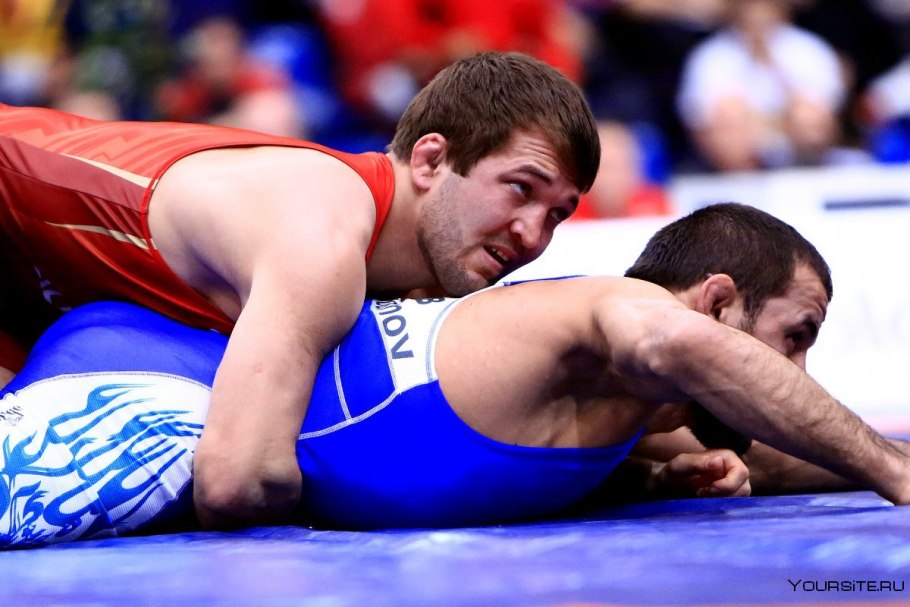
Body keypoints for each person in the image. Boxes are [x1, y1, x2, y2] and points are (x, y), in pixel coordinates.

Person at [3, 202, 909, 548]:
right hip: (148, 390)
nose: (796, 369)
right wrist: (894, 473)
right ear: (715, 301)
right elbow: (691, 352)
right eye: (794, 337)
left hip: (168, 385)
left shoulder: (643, 413)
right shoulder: (615, 311)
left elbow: (790, 448)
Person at [0, 50, 601, 529]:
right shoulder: (319, 241)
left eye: (558, 214)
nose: (532, 235)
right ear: (430, 160)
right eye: (521, 189)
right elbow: (235, 481)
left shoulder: (404, 272)